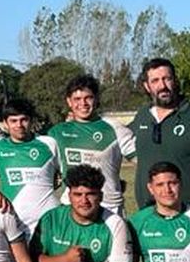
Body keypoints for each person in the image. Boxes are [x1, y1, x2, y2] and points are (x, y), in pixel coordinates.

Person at [130, 58, 190, 219]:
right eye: (155, 81)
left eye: (167, 79)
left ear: (175, 81)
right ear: (147, 86)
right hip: (149, 214)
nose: (162, 86)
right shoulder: (142, 116)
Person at [47, 74, 135, 212]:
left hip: (109, 207)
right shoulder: (57, 133)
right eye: (77, 99)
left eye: (88, 98)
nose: (83, 104)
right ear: (69, 101)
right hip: (71, 208)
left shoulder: (115, 128)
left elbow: (143, 161)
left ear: (96, 99)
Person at [0, 98, 62, 231]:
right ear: (5, 123)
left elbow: (63, 174)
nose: (19, 125)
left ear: (31, 120)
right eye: (13, 121)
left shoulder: (49, 143)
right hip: (14, 222)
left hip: (50, 221)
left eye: (24, 120)